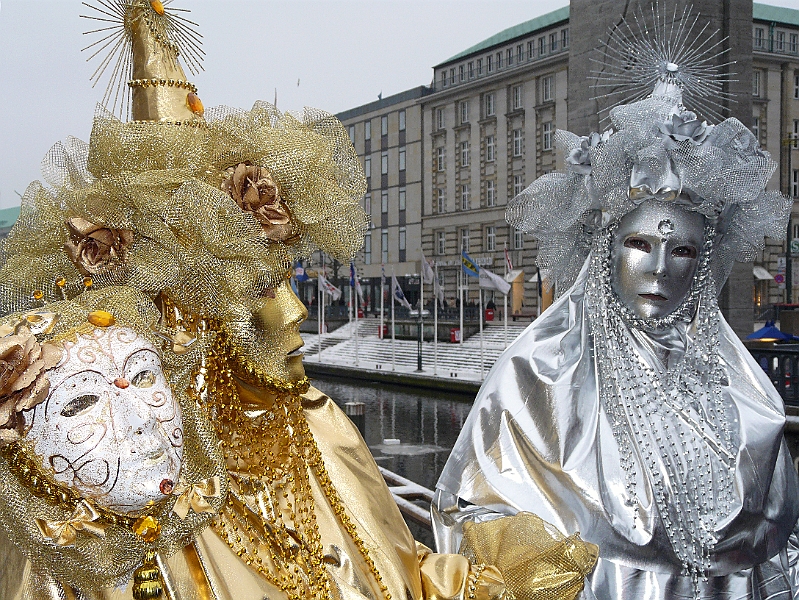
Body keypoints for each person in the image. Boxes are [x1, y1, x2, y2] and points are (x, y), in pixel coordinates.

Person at [0, 2, 594, 598]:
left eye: (285, 277)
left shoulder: (317, 429)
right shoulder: (105, 519)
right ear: (184, 321)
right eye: (258, 289)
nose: (296, 311)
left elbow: (399, 574)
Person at [432, 19, 799, 600]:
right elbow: (474, 508)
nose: (658, 269)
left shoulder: (745, 393)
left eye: (681, 250)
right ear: (604, 250)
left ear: (704, 264)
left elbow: (774, 554)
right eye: (638, 244)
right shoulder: (541, 372)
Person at [0, 287, 227, 599]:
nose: (143, 417)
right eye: (82, 402)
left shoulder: (210, 525)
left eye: (144, 376)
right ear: (21, 449)